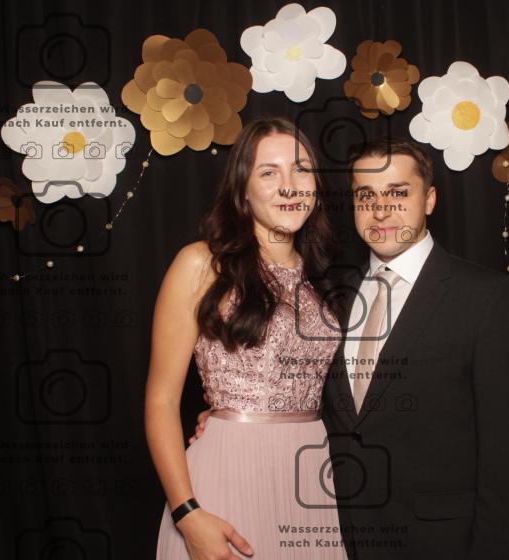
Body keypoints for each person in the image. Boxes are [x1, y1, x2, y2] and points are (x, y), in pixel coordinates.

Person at [193, 136, 509, 559]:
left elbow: (508, 461)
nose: (381, 210)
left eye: (398, 193)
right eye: (366, 196)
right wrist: (227, 419)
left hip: (441, 545)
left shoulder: (485, 299)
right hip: (339, 536)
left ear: (429, 199)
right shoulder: (331, 297)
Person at [145, 116, 349, 559]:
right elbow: (161, 401)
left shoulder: (324, 280)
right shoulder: (202, 265)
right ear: (243, 191)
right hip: (226, 479)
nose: (289, 186)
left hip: (311, 479)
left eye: (300, 170)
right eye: (269, 172)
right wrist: (187, 513)